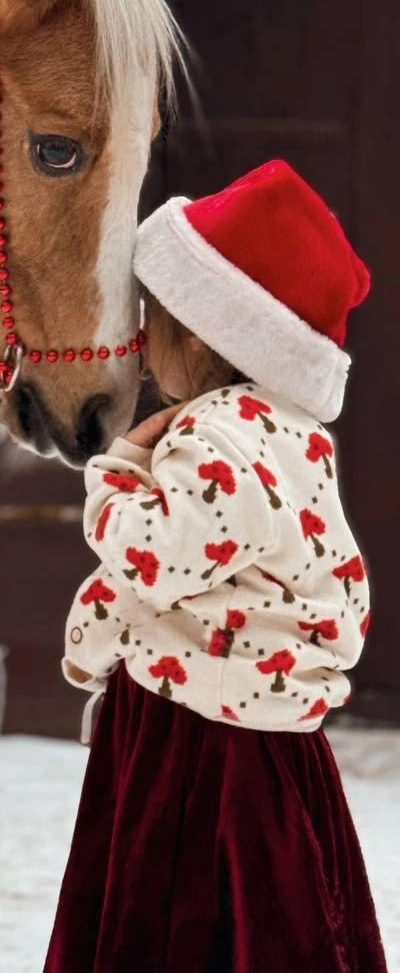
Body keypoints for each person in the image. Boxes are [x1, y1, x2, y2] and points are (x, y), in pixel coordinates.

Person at [45, 160, 386, 973]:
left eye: (151, 316)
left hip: (194, 720)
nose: (139, 335)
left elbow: (156, 563)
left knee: (178, 898)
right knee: (274, 901)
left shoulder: (211, 435)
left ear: (201, 329)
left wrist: (116, 475)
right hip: (265, 725)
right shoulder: (294, 434)